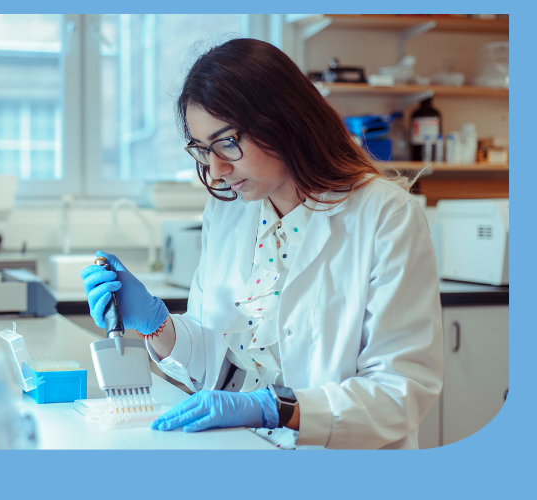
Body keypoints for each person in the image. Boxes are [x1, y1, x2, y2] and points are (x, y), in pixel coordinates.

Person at [80, 38, 443, 449]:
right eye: (203, 150)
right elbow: (219, 363)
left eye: (228, 142)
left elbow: (400, 391)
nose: (216, 170)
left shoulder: (385, 216)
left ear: (284, 119)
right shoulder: (231, 210)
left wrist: (279, 408)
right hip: (236, 445)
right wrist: (158, 326)